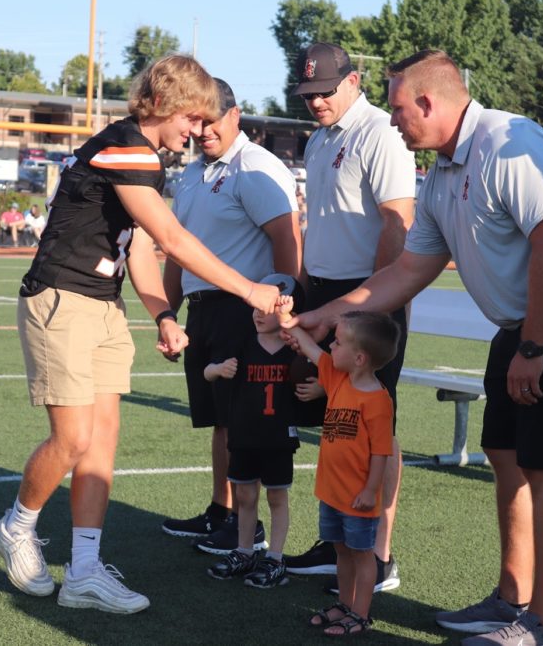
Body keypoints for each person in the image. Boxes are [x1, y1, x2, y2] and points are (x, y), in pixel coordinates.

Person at [286, 49, 543, 646]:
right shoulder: (441, 171)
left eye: (396, 109)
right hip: (522, 328)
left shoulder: (508, 141)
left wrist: (536, 345)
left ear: (428, 102)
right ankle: (510, 599)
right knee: (505, 455)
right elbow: (409, 270)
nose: (391, 121)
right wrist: (327, 314)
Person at [0, 55, 282, 616]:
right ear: (167, 105)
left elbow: (142, 245)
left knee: (101, 445)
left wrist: (163, 315)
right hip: (62, 299)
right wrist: (250, 290)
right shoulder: (126, 145)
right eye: (193, 118)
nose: (196, 131)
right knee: (73, 439)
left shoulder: (144, 155)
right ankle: (16, 524)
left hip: (102, 304)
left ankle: (84, 571)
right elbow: (170, 235)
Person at [282, 42, 415, 595]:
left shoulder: (379, 132)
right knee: (338, 420)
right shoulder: (320, 139)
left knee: (373, 421)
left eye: (325, 91)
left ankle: (379, 554)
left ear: (354, 81)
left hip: (368, 293)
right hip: (330, 292)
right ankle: (341, 541)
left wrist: (375, 301)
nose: (315, 102)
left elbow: (397, 222)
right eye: (308, 93)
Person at [159, 78, 302, 554]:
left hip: (245, 311)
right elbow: (178, 251)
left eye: (212, 119)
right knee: (220, 420)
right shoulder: (192, 172)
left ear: (236, 115)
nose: (202, 130)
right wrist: (167, 312)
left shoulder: (256, 167)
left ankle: (247, 525)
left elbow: (287, 238)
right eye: (195, 121)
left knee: (240, 421)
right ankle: (222, 512)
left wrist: (285, 303)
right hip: (204, 311)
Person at [279, 300, 397, 637]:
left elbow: (381, 452)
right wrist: (285, 317)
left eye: (339, 342)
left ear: (359, 358)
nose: (331, 345)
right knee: (341, 553)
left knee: (362, 556)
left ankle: (360, 614)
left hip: (358, 498)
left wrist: (371, 489)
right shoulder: (337, 378)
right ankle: (345, 605)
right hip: (331, 493)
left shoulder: (377, 401)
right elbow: (308, 344)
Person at [204, 273, 303, 589]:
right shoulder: (242, 341)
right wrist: (219, 370)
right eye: (256, 306)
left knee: (277, 496)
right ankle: (244, 551)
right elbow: (207, 372)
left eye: (269, 307)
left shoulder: (294, 346)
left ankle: (275, 558)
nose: (259, 312)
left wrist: (315, 387)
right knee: (244, 495)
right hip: (244, 434)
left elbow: (320, 364)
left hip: (277, 437)